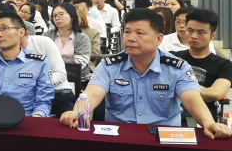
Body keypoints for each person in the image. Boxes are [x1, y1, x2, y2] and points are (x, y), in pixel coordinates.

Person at [60, 10, 230, 139]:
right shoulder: (109, 65)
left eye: (140, 33)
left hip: (163, 138)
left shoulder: (177, 67)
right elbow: (92, 94)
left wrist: (208, 123)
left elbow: (193, 100)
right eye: (127, 32)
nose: (131, 38)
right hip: (119, 137)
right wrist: (77, 112)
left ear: (159, 39)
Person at [173, 10, 232, 121]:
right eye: (190, 30)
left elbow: (216, 93)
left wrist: (174, 87)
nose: (194, 36)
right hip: (171, 115)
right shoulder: (172, 58)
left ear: (212, 35)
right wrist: (204, 91)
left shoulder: (224, 65)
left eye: (201, 32)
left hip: (204, 118)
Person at [20, 26, 73, 118]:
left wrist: (39, 84)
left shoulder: (43, 42)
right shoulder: (4, 50)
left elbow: (60, 73)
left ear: (26, 34)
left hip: (57, 92)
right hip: (26, 96)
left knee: (70, 120)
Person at [44, 3, 92, 82]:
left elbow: (79, 64)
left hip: (77, 79)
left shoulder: (82, 38)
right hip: (50, 77)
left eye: (61, 14)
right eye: (54, 15)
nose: (57, 18)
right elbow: (41, 60)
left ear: (72, 16)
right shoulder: (47, 36)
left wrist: (52, 61)